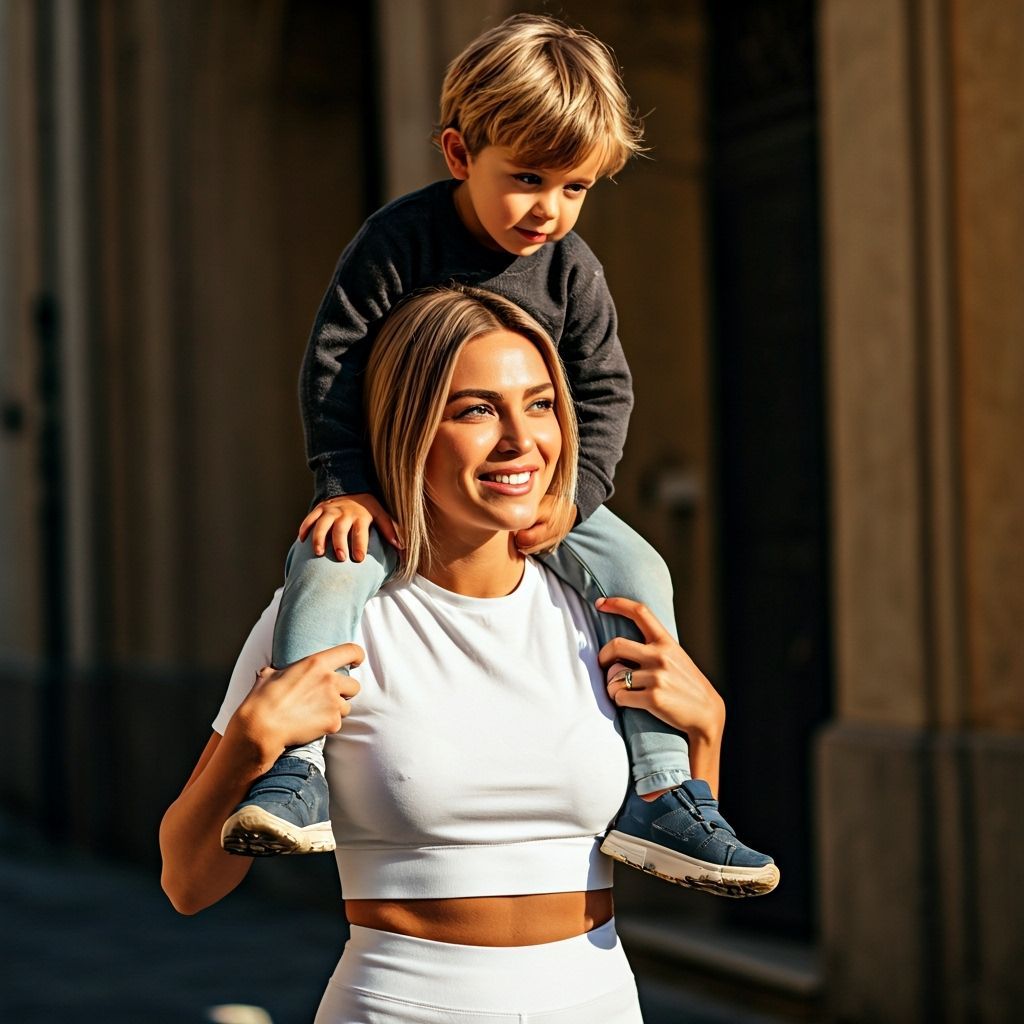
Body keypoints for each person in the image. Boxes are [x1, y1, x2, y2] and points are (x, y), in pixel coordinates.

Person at [220, 12, 776, 894]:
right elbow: (334, 362)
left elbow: (603, 392)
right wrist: (348, 486)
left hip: (542, 496)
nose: (549, 209)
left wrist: (576, 492)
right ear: (456, 153)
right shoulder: (399, 244)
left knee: (641, 569)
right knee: (326, 569)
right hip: (395, 492)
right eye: (526, 179)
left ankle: (663, 788)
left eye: (575, 187)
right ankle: (299, 770)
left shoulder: (572, 271)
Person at [161, 286, 774, 1023]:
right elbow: (187, 883)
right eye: (476, 410)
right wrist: (253, 743)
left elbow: (663, 859)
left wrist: (703, 733)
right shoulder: (331, 621)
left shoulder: (602, 612)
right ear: (410, 428)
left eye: (541, 404)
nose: (521, 440)